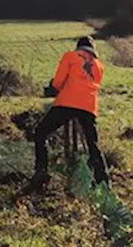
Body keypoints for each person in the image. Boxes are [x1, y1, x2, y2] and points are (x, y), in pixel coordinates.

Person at [25, 36, 108, 191]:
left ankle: (41, 170)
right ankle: (103, 180)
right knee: (93, 144)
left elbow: (57, 82)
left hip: (68, 103)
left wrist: (52, 88)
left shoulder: (70, 56)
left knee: (41, 132)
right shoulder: (99, 65)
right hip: (89, 106)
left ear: (79, 48)